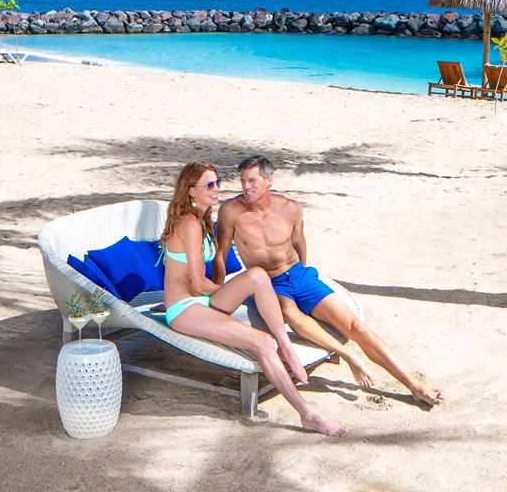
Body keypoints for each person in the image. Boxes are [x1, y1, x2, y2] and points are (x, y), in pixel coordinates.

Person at [216, 154, 443, 407]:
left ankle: (415, 386)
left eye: (252, 180)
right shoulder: (231, 211)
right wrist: (215, 290)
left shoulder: (291, 208)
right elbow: (221, 253)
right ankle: (347, 354)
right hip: (268, 283)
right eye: (242, 180)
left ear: (269, 180)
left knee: (356, 327)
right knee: (290, 313)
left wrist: (305, 274)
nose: (246, 187)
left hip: (299, 276)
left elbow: (299, 243)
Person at [158, 161, 347, 436]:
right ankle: (308, 414)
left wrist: (230, 289)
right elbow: (198, 284)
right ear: (190, 191)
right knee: (261, 342)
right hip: (185, 308)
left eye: (218, 182)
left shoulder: (200, 219)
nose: (217, 189)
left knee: (258, 275)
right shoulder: (190, 224)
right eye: (209, 185)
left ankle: (286, 347)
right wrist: (225, 292)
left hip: (200, 302)